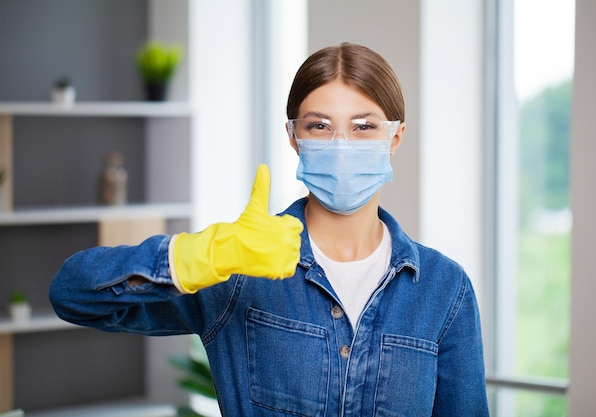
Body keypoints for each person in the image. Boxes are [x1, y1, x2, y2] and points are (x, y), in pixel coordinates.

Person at [50, 42, 489, 416]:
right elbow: (73, 296)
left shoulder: (444, 290)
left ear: (394, 137)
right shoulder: (238, 265)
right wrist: (197, 256)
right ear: (294, 136)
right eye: (319, 126)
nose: (341, 146)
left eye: (364, 127)